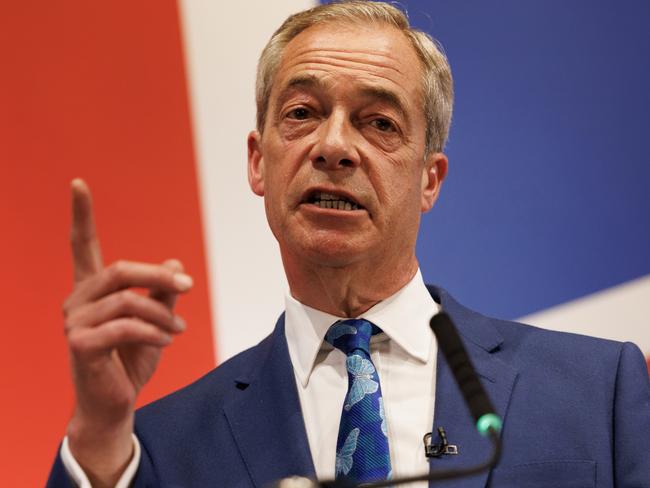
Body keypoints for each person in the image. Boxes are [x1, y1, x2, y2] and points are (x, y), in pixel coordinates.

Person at [48, 2, 650, 487]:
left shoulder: (599, 390)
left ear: (429, 180)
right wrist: (99, 434)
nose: (333, 145)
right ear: (259, 163)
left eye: (379, 122)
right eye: (303, 112)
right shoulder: (153, 450)